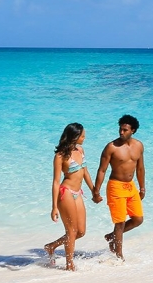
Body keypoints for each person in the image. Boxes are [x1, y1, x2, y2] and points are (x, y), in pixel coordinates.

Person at [92, 114, 146, 260]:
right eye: (120, 129)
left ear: (133, 130)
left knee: (138, 219)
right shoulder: (111, 147)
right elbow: (101, 170)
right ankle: (119, 255)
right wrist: (96, 191)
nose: (121, 132)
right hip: (115, 186)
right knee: (120, 222)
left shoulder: (139, 146)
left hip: (131, 186)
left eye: (125, 130)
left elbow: (140, 169)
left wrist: (142, 188)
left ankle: (111, 237)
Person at [45, 123, 94, 271]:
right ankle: (69, 265)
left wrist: (94, 191)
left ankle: (52, 246)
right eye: (82, 135)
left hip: (78, 192)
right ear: (74, 136)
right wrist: (54, 207)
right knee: (71, 231)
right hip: (65, 192)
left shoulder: (80, 150)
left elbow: (85, 172)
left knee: (81, 231)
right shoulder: (60, 156)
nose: (84, 138)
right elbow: (55, 182)